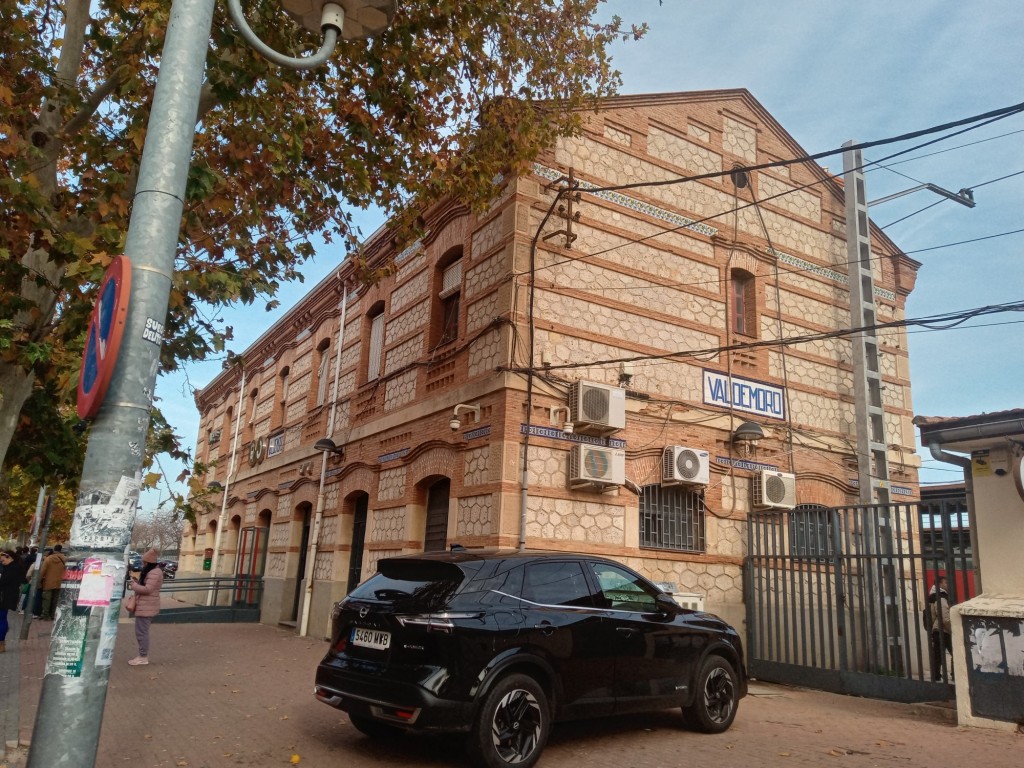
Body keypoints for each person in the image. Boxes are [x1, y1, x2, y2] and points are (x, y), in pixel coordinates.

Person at [127, 548, 164, 666]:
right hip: (146, 606)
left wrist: (134, 585)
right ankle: (142, 656)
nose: (143, 564)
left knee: (141, 632)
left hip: (147, 607)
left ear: (148, 563)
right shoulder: (154, 572)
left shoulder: (154, 573)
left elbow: (148, 589)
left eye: (144, 562)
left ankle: (143, 657)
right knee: (142, 632)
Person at [0, 549, 27, 652]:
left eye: (3, 561)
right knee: (2, 618)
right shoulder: (15, 567)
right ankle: (1, 642)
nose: (2, 563)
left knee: (1, 618)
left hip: (4, 597)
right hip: (7, 596)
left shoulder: (12, 568)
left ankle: (1, 643)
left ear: (9, 557)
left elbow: (3, 582)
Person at [927, 576, 953, 681]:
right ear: (940, 585)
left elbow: (933, 615)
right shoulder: (941, 597)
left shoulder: (932, 596)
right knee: (955, 653)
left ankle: (936, 676)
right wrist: (952, 629)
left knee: (937, 655)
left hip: (936, 630)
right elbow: (945, 617)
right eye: (945, 583)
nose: (947, 585)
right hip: (944, 630)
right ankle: (956, 674)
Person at [39, 544, 67, 620]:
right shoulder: (65, 559)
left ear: (54, 549)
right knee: (56, 600)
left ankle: (45, 615)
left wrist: (39, 581)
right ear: (61, 550)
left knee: (46, 599)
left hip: (48, 582)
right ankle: (53, 615)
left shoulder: (48, 559)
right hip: (60, 583)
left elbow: (42, 571)